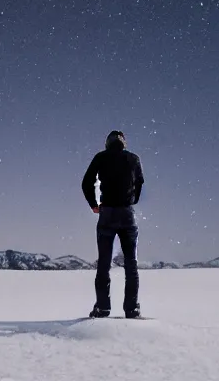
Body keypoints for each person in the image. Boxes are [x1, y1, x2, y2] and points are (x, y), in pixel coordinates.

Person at [81, 130, 144, 318]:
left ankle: (102, 307)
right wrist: (132, 200)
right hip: (126, 213)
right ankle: (131, 309)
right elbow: (140, 182)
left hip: (107, 212)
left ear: (107, 143)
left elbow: (86, 183)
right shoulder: (133, 158)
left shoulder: (101, 157)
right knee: (131, 262)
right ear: (123, 143)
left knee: (104, 262)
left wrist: (94, 205)